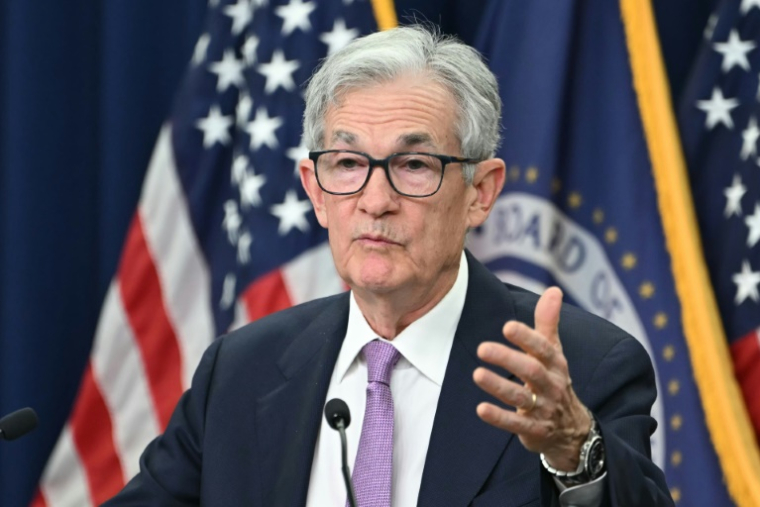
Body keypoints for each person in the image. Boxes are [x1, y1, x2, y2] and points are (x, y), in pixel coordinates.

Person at [104, 25, 672, 506]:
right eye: (348, 163)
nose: (375, 200)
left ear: (482, 191)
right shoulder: (240, 372)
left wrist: (575, 449)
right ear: (316, 191)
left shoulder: (585, 370)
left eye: (415, 164)